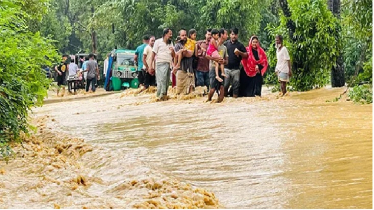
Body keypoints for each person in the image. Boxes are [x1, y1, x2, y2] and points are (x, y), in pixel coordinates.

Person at [150, 28, 175, 101]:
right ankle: (160, 95)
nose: (171, 35)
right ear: (165, 34)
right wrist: (151, 65)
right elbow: (153, 53)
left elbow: (173, 56)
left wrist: (172, 51)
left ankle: (164, 95)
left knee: (167, 80)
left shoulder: (171, 43)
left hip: (168, 63)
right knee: (162, 79)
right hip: (160, 63)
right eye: (170, 34)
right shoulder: (158, 42)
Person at [223, 28, 248, 98]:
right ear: (230, 35)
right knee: (226, 84)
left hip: (236, 69)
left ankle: (234, 99)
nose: (234, 36)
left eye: (235, 35)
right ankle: (224, 98)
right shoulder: (226, 44)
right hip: (226, 68)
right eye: (232, 34)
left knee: (236, 85)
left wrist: (239, 52)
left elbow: (246, 55)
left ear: (237, 35)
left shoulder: (240, 45)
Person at [206, 28, 229, 103]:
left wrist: (223, 61)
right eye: (226, 34)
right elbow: (207, 56)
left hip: (220, 69)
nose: (227, 36)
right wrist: (215, 59)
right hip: (213, 68)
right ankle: (209, 100)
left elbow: (226, 61)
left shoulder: (224, 47)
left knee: (222, 87)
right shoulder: (213, 43)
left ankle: (219, 102)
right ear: (221, 35)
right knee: (212, 89)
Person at [174, 29, 196, 95]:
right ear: (179, 36)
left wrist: (188, 52)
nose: (184, 37)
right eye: (182, 35)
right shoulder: (177, 45)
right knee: (180, 93)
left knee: (191, 93)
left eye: (185, 35)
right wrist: (184, 53)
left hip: (190, 70)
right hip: (181, 70)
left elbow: (192, 54)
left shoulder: (190, 43)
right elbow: (176, 56)